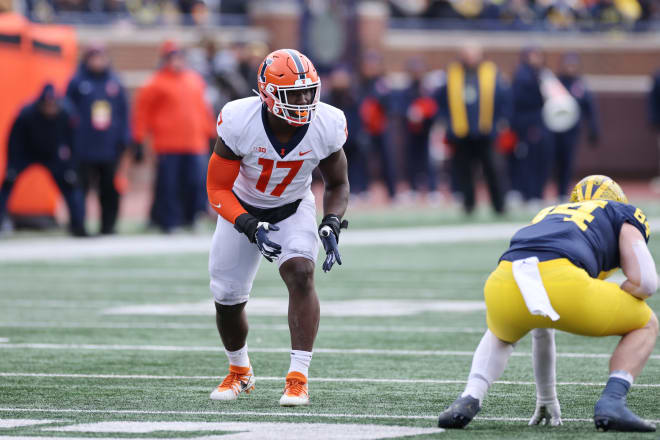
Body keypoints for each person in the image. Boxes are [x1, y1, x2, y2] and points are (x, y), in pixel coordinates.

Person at [437, 175, 657, 432]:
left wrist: (546, 397)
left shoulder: (548, 213)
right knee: (647, 323)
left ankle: (470, 395)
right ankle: (613, 400)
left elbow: (542, 324)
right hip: (563, 280)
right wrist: (624, 292)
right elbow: (647, 283)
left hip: (504, 280)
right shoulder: (620, 212)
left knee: (501, 333)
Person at [205, 49, 349, 406]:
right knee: (227, 298)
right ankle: (240, 371)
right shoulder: (240, 120)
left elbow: (337, 183)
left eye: (308, 91)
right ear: (268, 94)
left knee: (301, 273)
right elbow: (217, 188)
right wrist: (247, 224)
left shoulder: (326, 123)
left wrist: (331, 221)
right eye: (293, 94)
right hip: (242, 208)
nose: (303, 101)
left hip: (293, 207)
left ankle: (298, 378)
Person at [132, 40, 215, 232]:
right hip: (167, 143)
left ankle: (191, 216)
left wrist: (211, 133)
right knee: (169, 185)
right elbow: (142, 114)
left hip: (195, 142)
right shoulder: (155, 83)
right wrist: (138, 139)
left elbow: (203, 110)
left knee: (195, 182)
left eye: (179, 57)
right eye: (172, 57)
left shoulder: (194, 80)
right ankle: (168, 220)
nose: (176, 61)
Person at [0, 84, 86, 237]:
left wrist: (71, 167)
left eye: (53, 105)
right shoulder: (26, 114)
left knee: (70, 184)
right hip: (26, 152)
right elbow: (14, 140)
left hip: (52, 155)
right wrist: (12, 165)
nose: (50, 109)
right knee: (8, 183)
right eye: (47, 105)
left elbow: (73, 142)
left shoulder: (66, 114)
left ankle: (78, 225)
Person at [436, 44, 507, 214]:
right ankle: (469, 205)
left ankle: (499, 205)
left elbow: (503, 98)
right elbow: (440, 100)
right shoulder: (452, 72)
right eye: (466, 54)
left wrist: (500, 121)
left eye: (472, 54)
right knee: (464, 171)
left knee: (493, 169)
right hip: (461, 132)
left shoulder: (491, 72)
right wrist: (446, 121)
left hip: (485, 131)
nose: (469, 58)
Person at [66, 44, 130, 235]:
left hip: (109, 147)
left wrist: (125, 138)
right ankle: (78, 226)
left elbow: (124, 113)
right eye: (94, 57)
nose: (98, 61)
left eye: (100, 57)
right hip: (83, 147)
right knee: (80, 189)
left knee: (109, 189)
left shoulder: (115, 83)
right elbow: (66, 113)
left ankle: (108, 226)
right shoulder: (77, 82)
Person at [553, 53, 600, 201]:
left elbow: (589, 108)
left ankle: (562, 191)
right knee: (554, 161)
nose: (570, 68)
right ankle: (552, 190)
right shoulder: (557, 83)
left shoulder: (579, 84)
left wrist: (594, 128)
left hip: (572, 129)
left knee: (568, 160)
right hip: (555, 129)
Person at [510, 47, 553, 203]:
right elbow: (520, 102)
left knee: (537, 158)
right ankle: (528, 192)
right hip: (529, 125)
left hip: (537, 123)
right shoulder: (524, 76)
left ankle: (534, 192)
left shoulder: (542, 74)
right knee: (527, 159)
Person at [358, 51, 397, 201]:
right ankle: (363, 190)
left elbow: (390, 105)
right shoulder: (360, 84)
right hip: (365, 128)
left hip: (381, 128)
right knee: (364, 160)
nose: (371, 68)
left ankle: (392, 192)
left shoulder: (383, 84)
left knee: (387, 159)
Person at [325, 65, 368, 199]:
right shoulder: (328, 98)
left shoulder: (353, 96)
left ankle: (359, 189)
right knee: (336, 168)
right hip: (335, 140)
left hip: (352, 137)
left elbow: (359, 117)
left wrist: (360, 133)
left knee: (356, 164)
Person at [400, 57, 439, 200]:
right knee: (411, 159)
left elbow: (435, 108)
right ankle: (412, 188)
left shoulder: (428, 89)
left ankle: (433, 189)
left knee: (429, 159)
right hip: (411, 130)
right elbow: (401, 107)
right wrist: (410, 113)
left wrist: (425, 113)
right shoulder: (407, 89)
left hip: (427, 129)